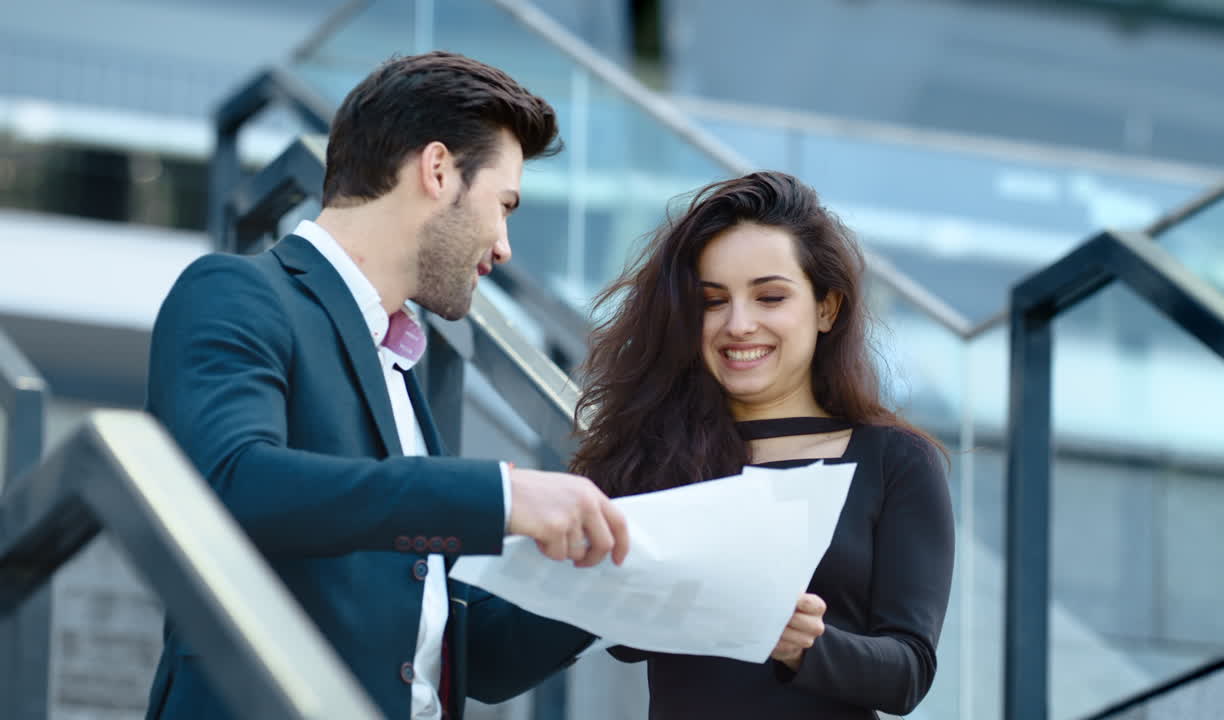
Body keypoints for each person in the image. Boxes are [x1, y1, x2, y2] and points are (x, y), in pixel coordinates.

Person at [144, 51, 629, 720]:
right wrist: (499, 494)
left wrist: (626, 595)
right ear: (436, 170)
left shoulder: (398, 368)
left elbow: (466, 655)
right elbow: (228, 485)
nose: (504, 245)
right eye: (504, 205)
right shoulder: (236, 293)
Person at [571, 171, 954, 719]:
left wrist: (802, 643)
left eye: (770, 296)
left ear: (827, 308)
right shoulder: (652, 451)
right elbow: (624, 642)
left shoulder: (895, 461)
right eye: (712, 300)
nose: (739, 324)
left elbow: (908, 673)